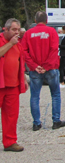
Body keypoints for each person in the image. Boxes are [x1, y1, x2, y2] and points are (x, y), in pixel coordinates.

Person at [22, 11, 65, 130]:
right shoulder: (52, 32)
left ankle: (36, 123)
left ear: (35, 21)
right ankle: (56, 121)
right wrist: (46, 66)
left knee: (35, 96)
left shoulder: (28, 33)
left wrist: (34, 65)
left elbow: (24, 51)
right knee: (55, 94)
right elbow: (54, 50)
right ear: (47, 21)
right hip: (51, 68)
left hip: (35, 70)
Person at [0, 18, 27, 152]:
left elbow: (19, 62)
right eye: (14, 30)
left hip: (12, 85)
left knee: (11, 115)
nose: (17, 32)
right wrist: (10, 43)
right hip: (0, 84)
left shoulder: (18, 43)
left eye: (18, 29)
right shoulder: (9, 42)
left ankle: (10, 142)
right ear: (6, 29)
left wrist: (23, 79)